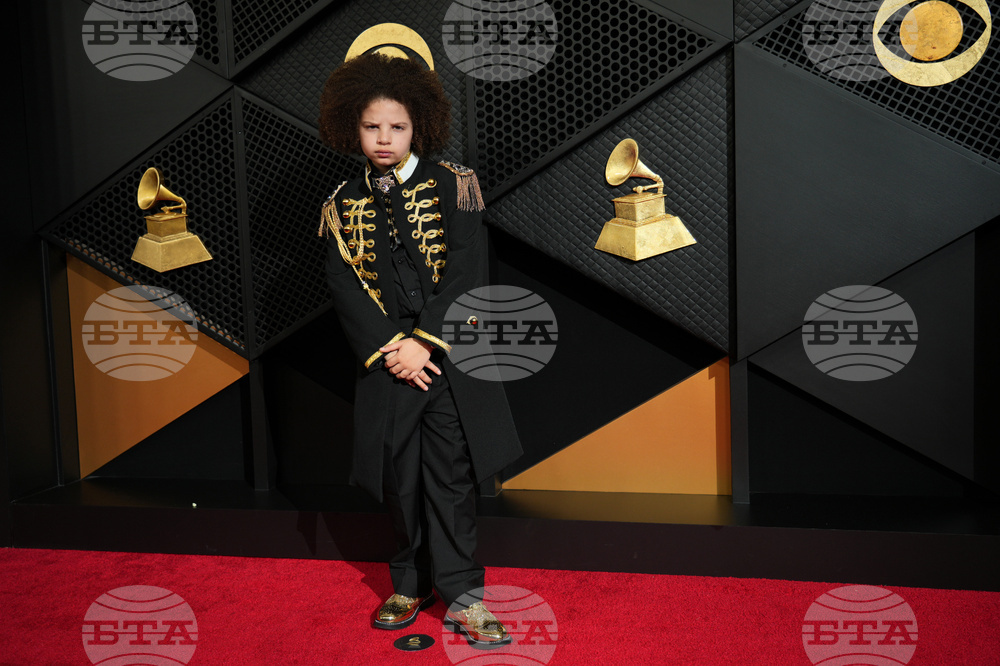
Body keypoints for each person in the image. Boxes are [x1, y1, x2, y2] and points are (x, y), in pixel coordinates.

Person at [317, 52, 523, 649]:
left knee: (451, 478)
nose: (384, 139)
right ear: (352, 129)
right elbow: (343, 287)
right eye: (372, 127)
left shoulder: (454, 184)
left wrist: (423, 341)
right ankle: (409, 584)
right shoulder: (338, 203)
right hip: (388, 361)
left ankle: (464, 595)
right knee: (397, 477)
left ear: (418, 128)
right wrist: (392, 347)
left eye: (397, 127)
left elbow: (467, 270)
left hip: (446, 356)